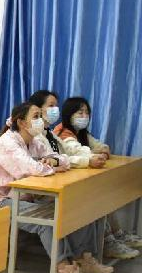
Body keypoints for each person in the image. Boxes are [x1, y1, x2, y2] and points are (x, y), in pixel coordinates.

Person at [0, 102, 112, 273]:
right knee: (46, 221)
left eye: (40, 115)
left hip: (21, 195)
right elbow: (33, 169)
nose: (41, 120)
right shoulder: (8, 143)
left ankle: (83, 259)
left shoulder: (34, 141)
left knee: (74, 207)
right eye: (36, 116)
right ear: (22, 122)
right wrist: (51, 165)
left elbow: (62, 159)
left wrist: (53, 162)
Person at [53, 96, 138, 260]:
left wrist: (99, 152)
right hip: (66, 185)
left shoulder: (82, 133)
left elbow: (102, 147)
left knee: (104, 194)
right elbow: (81, 152)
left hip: (79, 179)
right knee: (97, 198)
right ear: (69, 114)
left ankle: (117, 235)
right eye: (80, 112)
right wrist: (94, 154)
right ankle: (108, 242)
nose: (84, 116)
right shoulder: (63, 133)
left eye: (87, 112)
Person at [28, 90, 102, 168]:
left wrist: (92, 156)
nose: (55, 110)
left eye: (56, 106)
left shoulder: (50, 133)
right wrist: (87, 161)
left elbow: (69, 151)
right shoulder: (34, 135)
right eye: (51, 106)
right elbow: (54, 159)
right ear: (37, 109)